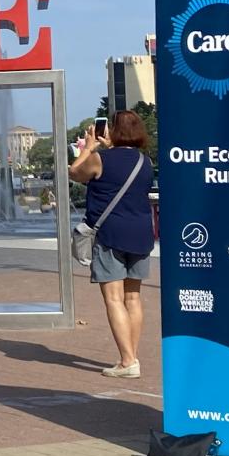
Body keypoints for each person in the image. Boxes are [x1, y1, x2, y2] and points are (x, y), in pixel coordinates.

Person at [68, 111, 155, 379]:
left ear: (111, 131)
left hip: (110, 235)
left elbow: (74, 173)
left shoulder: (99, 159)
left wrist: (89, 147)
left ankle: (128, 361)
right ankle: (131, 356)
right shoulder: (145, 161)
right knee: (133, 298)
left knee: (114, 298)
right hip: (141, 234)